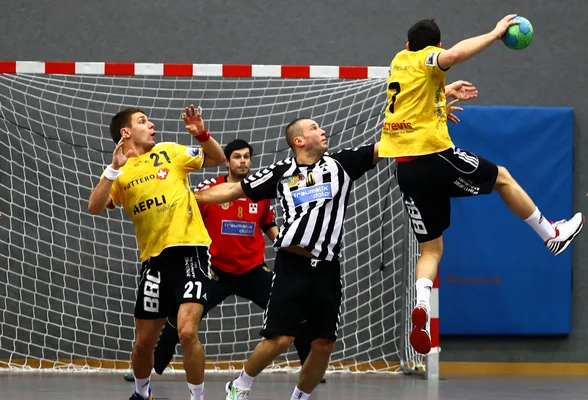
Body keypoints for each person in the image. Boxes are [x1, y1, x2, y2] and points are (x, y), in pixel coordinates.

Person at [191, 96, 466, 400]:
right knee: (280, 338)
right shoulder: (280, 172)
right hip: (290, 266)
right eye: (314, 128)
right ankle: (240, 384)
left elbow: (390, 144)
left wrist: (431, 112)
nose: (322, 131)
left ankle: (300, 397)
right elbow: (232, 189)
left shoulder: (341, 165)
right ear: (299, 140)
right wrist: (188, 197)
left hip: (326, 268)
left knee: (324, 344)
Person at [378, 15, 585, 356]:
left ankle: (421, 304)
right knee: (502, 176)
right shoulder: (431, 57)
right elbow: (454, 56)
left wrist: (441, 97)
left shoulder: (400, 61)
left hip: (405, 170)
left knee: (431, 249)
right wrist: (494, 34)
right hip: (433, 157)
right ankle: (551, 234)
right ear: (436, 47)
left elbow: (413, 98)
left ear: (406, 45)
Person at [123, 139, 321, 383]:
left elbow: (267, 224)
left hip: (252, 271)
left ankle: (310, 366)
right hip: (215, 271)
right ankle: (150, 368)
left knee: (293, 309)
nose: (243, 161)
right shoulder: (209, 189)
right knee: (179, 320)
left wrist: (288, 246)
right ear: (226, 161)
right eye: (237, 157)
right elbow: (189, 212)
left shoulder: (258, 192)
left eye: (247, 157)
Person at [88, 105, 225, 400]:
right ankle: (141, 393)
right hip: (153, 262)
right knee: (143, 343)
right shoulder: (119, 172)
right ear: (126, 133)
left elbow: (218, 158)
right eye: (142, 121)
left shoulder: (169, 152)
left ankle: (197, 397)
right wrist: (112, 170)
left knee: (187, 332)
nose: (151, 125)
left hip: (191, 251)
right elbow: (95, 207)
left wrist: (201, 133)